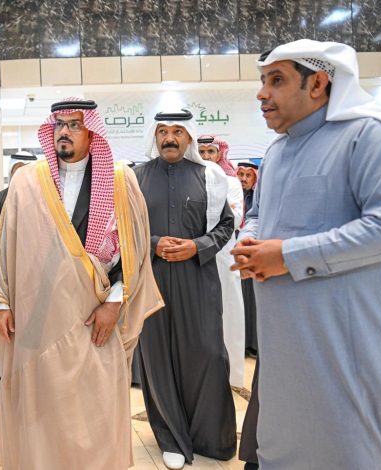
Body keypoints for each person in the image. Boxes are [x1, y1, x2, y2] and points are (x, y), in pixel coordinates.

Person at [231, 39, 381, 469]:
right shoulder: (276, 153)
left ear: (318, 84)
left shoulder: (368, 136)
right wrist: (250, 240)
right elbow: (258, 216)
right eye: (262, 81)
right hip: (289, 358)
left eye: (276, 80)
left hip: (354, 356)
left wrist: (289, 255)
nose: (261, 93)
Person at [0, 98, 163, 470]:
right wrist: (2, 301)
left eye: (74, 125)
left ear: (92, 132)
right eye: (59, 124)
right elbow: (7, 243)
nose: (64, 132)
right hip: (39, 315)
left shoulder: (120, 180)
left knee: (94, 404)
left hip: (93, 314)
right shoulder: (27, 181)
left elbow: (133, 248)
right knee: (41, 405)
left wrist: (115, 302)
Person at [134, 109, 236, 469]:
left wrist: (197, 246)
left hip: (198, 277)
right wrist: (154, 243)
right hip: (153, 279)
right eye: (163, 131)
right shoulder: (136, 177)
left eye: (178, 131)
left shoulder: (210, 176)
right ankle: (171, 436)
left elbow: (226, 225)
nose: (170, 137)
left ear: (189, 137)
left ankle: (210, 437)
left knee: (208, 354)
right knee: (158, 356)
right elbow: (123, 228)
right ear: (155, 136)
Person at [198, 134, 246, 388]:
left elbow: (235, 220)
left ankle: (231, 376)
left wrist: (213, 202)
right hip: (195, 252)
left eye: (211, 152)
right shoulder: (191, 177)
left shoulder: (231, 181)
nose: (206, 156)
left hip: (225, 253)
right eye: (202, 152)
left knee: (229, 310)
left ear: (220, 154)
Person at [236, 161, 259, 357]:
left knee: (253, 302)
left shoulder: (258, 199)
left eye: (248, 175)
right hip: (236, 255)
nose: (243, 179)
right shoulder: (234, 196)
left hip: (255, 254)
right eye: (240, 175)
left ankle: (254, 344)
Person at [0, 151, 36, 243]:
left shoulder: (41, 198)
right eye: (18, 169)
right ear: (11, 172)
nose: (22, 174)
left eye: (26, 170)